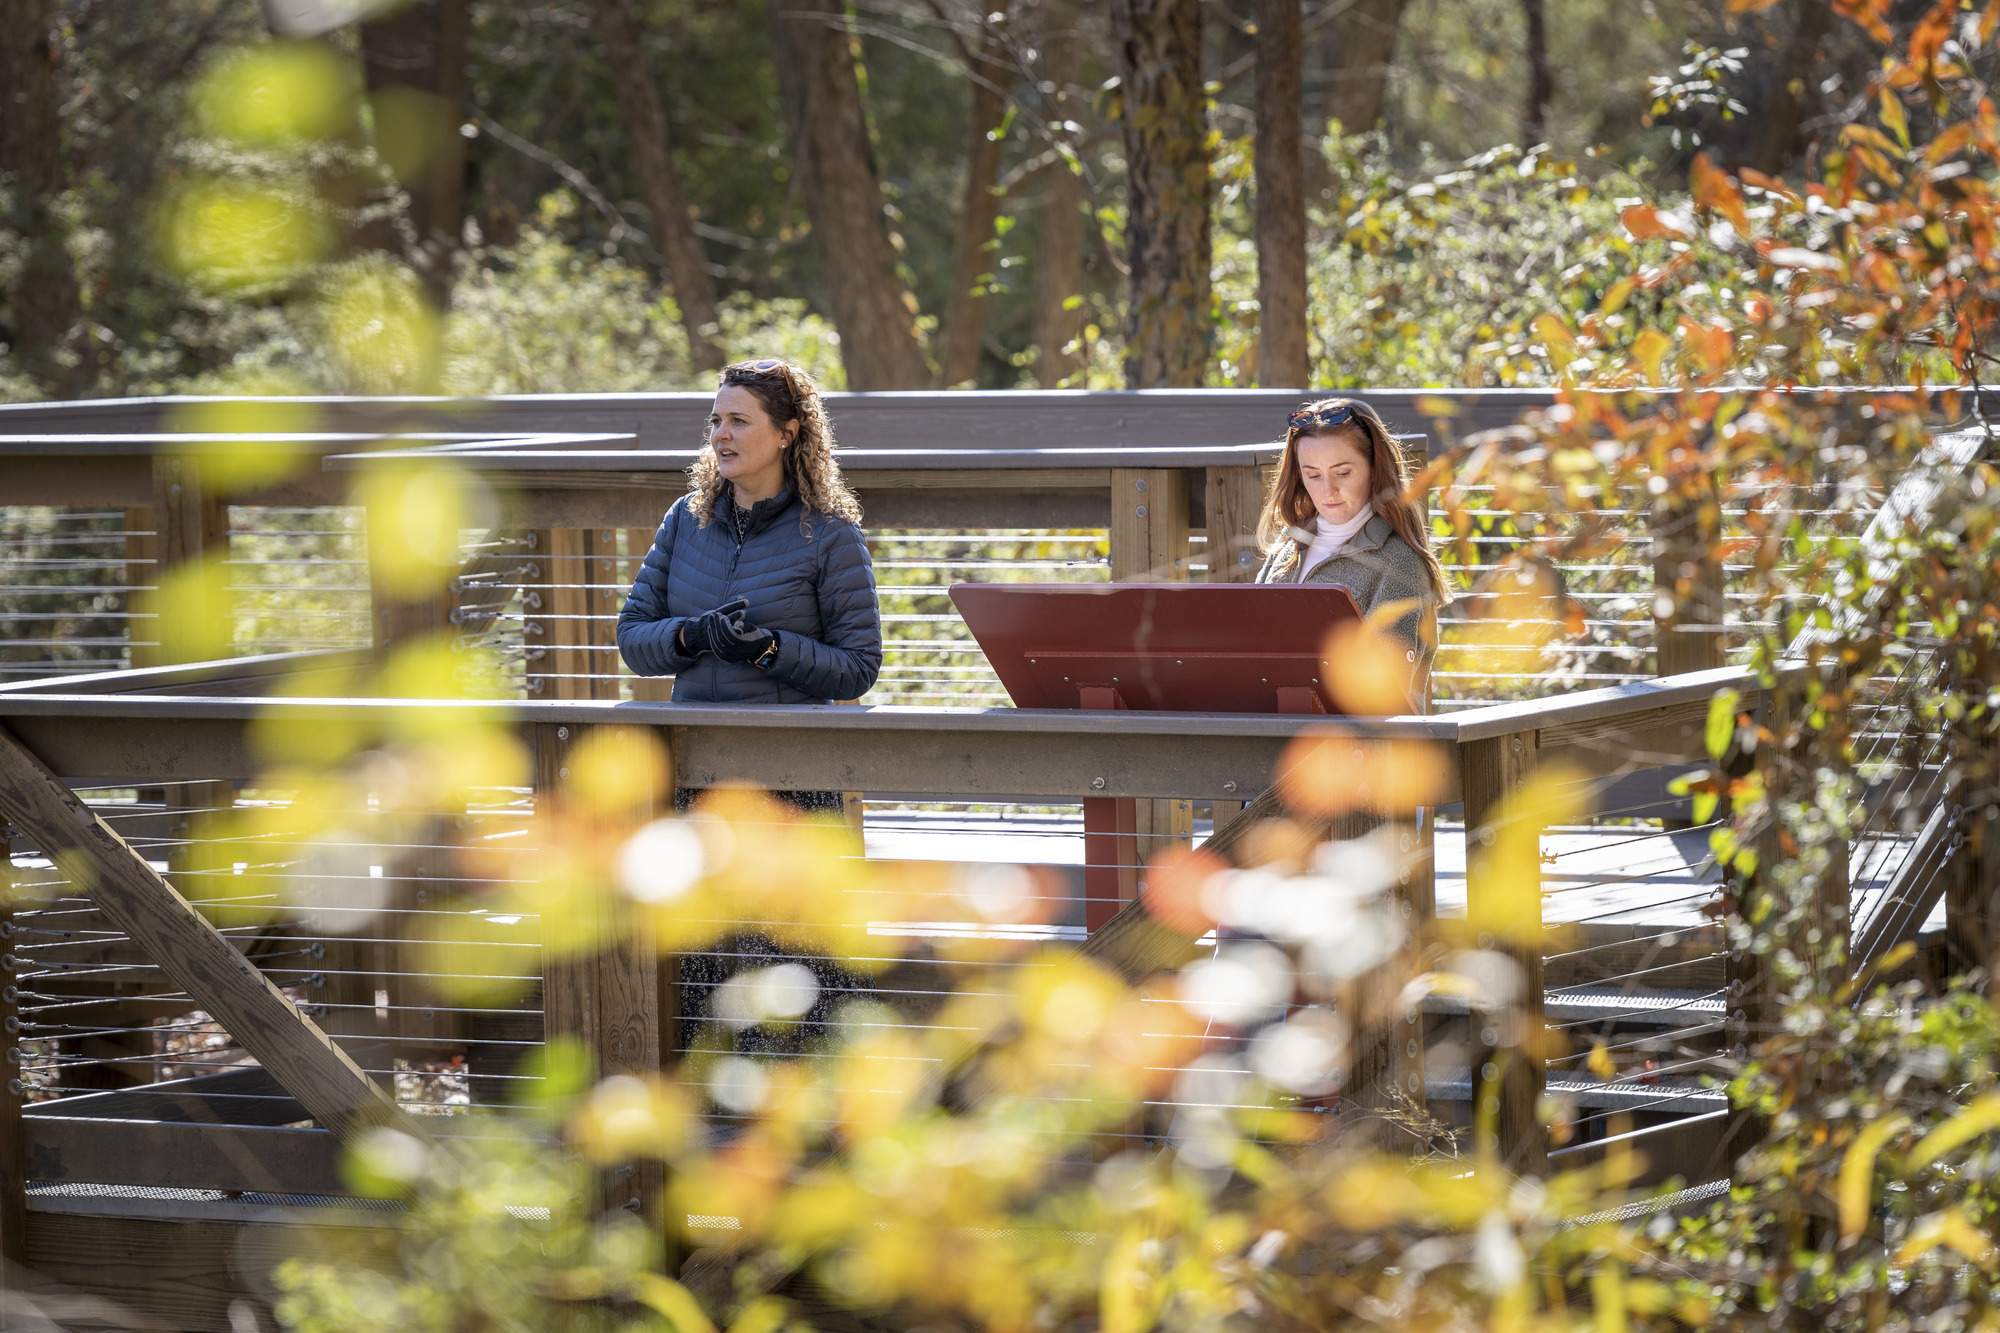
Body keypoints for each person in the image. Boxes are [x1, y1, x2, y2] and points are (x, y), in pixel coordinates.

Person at [617, 357, 882, 713]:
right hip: (690, 740)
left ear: (785, 434)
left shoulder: (830, 531)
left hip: (783, 747)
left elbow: (858, 669)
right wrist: (689, 636)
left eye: (738, 421)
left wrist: (768, 649)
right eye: (716, 421)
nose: (720, 434)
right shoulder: (687, 515)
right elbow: (632, 638)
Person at [1253, 396, 1452, 684]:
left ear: (1375, 469)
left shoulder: (1400, 564)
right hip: (1272, 727)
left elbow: (1383, 690)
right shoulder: (1287, 548)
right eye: (1312, 475)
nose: (1327, 491)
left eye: (1342, 473)